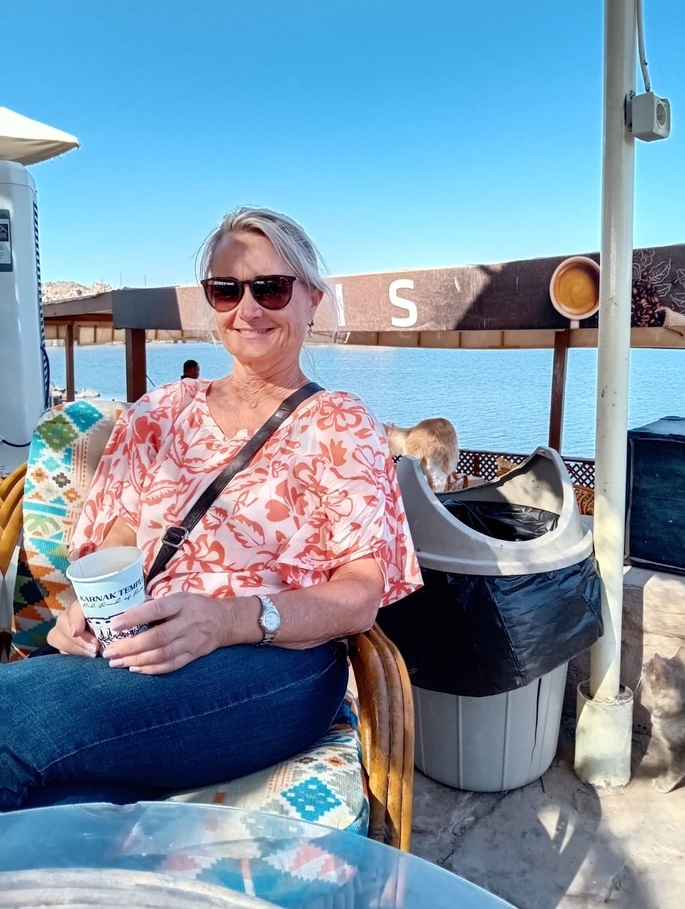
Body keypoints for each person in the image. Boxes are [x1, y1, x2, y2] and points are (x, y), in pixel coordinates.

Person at [0, 207, 422, 811]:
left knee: (10, 723)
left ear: (312, 300)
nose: (248, 310)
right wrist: (89, 613)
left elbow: (360, 594)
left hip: (272, 664)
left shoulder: (338, 424)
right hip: (145, 646)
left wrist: (225, 621)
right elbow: (119, 539)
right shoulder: (162, 411)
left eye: (270, 287)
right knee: (52, 796)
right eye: (226, 290)